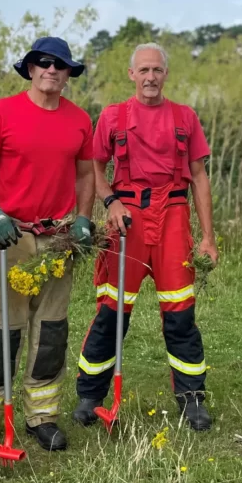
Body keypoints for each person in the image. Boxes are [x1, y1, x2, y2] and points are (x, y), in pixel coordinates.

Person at [0, 36, 96, 460]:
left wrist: (84, 219)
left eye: (61, 65)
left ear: (69, 74)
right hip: (11, 235)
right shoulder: (2, 112)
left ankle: (42, 417)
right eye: (43, 63)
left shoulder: (79, 120)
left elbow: (86, 175)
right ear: (30, 69)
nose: (52, 70)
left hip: (59, 239)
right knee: (1, 330)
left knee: (51, 331)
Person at [73, 42, 218, 432]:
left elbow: (200, 177)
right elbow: (94, 169)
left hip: (173, 215)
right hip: (128, 219)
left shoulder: (185, 118)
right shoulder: (113, 116)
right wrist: (110, 203)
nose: (150, 77)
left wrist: (208, 237)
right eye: (144, 70)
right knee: (112, 311)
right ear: (131, 74)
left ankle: (192, 398)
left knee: (181, 313)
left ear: (165, 74)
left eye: (157, 70)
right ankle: (90, 394)